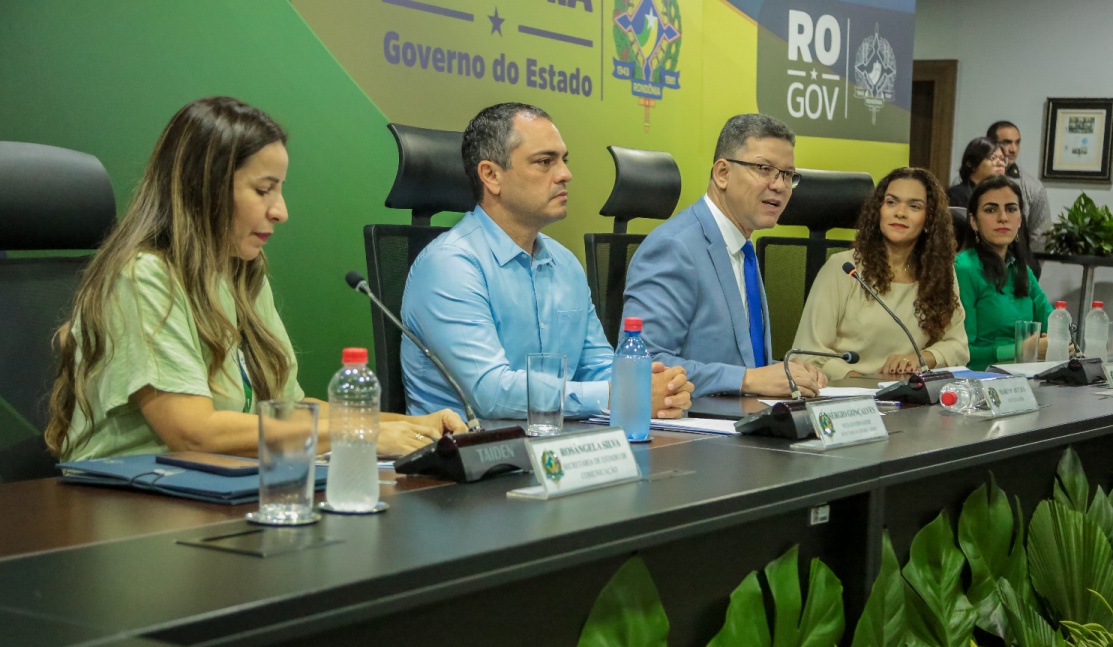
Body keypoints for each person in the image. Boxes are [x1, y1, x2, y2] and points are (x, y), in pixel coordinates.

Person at [44, 97, 466, 462]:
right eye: (264, 190)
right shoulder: (143, 276)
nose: (280, 211)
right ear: (202, 188)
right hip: (122, 506)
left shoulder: (242, 272)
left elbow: (291, 409)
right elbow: (192, 433)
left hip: (216, 490)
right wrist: (358, 433)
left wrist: (411, 426)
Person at [401, 102, 693, 419]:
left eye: (563, 160)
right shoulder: (450, 265)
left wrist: (653, 386)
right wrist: (622, 394)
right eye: (545, 162)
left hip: (553, 446)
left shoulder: (564, 264)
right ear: (491, 175)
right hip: (466, 457)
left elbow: (595, 366)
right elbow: (492, 393)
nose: (565, 174)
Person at [622, 114, 827, 398]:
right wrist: (749, 380)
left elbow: (741, 362)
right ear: (722, 173)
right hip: (688, 435)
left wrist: (788, 372)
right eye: (764, 168)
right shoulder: (675, 248)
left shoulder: (742, 246)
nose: (779, 185)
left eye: (788, 174)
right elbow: (642, 363)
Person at [793, 167, 969, 379]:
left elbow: (958, 345)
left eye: (914, 206)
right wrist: (860, 381)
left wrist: (921, 358)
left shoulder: (939, 272)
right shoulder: (844, 269)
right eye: (891, 202)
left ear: (929, 220)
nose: (900, 213)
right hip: (848, 395)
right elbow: (807, 354)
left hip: (907, 397)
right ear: (878, 210)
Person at [955, 175, 1053, 371]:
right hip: (979, 379)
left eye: (1011, 209)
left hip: (1026, 377)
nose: (1003, 217)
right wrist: (1022, 350)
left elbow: (1054, 325)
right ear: (974, 221)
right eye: (991, 210)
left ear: (1019, 221)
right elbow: (961, 352)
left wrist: (1061, 341)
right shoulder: (963, 268)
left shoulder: (1022, 269)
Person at [988, 120, 1050, 268]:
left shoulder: (1032, 187)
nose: (1013, 149)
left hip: (1017, 266)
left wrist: (1028, 267)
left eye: (1017, 143)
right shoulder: (969, 180)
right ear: (990, 144)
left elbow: (1041, 234)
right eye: (1007, 143)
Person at [945, 137, 1006, 209]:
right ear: (972, 164)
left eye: (1002, 159)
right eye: (993, 158)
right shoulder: (956, 195)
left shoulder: (1007, 195)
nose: (1001, 164)